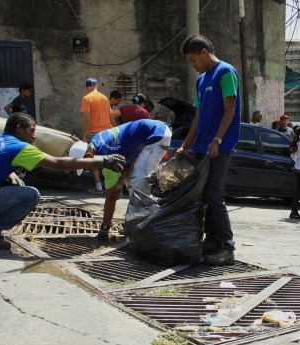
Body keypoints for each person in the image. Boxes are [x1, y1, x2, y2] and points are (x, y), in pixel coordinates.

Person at [0, 113, 125, 250]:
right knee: (30, 195)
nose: (33, 136)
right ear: (19, 129)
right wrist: (103, 160)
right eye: (31, 131)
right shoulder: (19, 147)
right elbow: (58, 163)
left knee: (17, 184)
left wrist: (9, 175)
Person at [177, 34, 240, 266]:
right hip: (202, 148)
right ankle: (212, 241)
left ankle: (227, 246)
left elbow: (230, 108)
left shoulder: (226, 73)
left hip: (219, 147)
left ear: (204, 52)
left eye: (193, 60)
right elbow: (198, 115)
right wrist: (185, 145)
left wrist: (218, 140)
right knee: (203, 196)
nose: (193, 65)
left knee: (214, 195)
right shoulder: (201, 80)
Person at [85, 119, 172, 241]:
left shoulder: (108, 156)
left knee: (139, 184)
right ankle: (137, 223)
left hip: (156, 134)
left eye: (88, 166)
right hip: (151, 131)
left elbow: (111, 197)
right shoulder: (97, 140)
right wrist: (120, 183)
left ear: (89, 156)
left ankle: (145, 227)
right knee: (131, 181)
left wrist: (104, 230)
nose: (91, 170)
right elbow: (126, 163)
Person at [80, 78, 113, 194]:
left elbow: (87, 118)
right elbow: (111, 116)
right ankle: (110, 186)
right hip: (108, 133)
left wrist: (84, 134)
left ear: (87, 88)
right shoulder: (105, 98)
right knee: (107, 160)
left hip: (94, 133)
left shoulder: (87, 98)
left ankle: (99, 187)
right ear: (97, 86)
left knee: (92, 160)